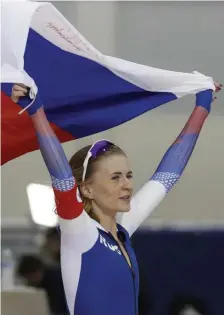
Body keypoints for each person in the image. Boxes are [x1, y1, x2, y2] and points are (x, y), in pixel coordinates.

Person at [11, 81, 221, 315]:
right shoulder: (79, 231)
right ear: (87, 189)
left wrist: (201, 109)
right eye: (115, 178)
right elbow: (61, 175)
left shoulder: (123, 228)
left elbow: (168, 174)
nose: (127, 185)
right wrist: (37, 113)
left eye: (129, 176)